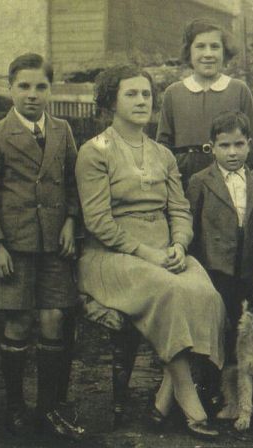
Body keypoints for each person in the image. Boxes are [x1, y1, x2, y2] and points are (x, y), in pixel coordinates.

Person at [75, 65, 225, 439]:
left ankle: (165, 393)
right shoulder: (94, 152)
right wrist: (148, 253)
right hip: (112, 257)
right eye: (131, 94)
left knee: (208, 295)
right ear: (111, 101)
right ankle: (188, 395)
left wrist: (178, 245)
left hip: (164, 251)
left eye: (146, 94)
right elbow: (98, 222)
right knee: (171, 292)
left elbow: (179, 210)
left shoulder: (163, 154)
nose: (142, 100)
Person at [0, 53, 84, 440]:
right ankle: (15, 408)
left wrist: (70, 220)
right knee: (17, 322)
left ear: (50, 90)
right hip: (13, 248)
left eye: (40, 87)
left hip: (54, 245)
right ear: (9, 89)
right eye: (24, 86)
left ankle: (48, 408)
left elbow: (72, 183)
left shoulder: (63, 130)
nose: (32, 95)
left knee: (54, 319)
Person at [186, 111, 253, 365]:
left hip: (249, 270)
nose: (232, 152)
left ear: (249, 145)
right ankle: (211, 384)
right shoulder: (200, 182)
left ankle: (243, 380)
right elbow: (191, 227)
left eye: (239, 145)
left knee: (245, 328)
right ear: (212, 147)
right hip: (214, 270)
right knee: (216, 328)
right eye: (225, 145)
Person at [157, 18, 253, 189]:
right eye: (200, 46)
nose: (208, 54)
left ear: (224, 52)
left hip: (228, 179)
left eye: (215, 47)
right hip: (183, 179)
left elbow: (251, 146)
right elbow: (163, 145)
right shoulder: (173, 93)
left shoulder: (239, 90)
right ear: (188, 51)